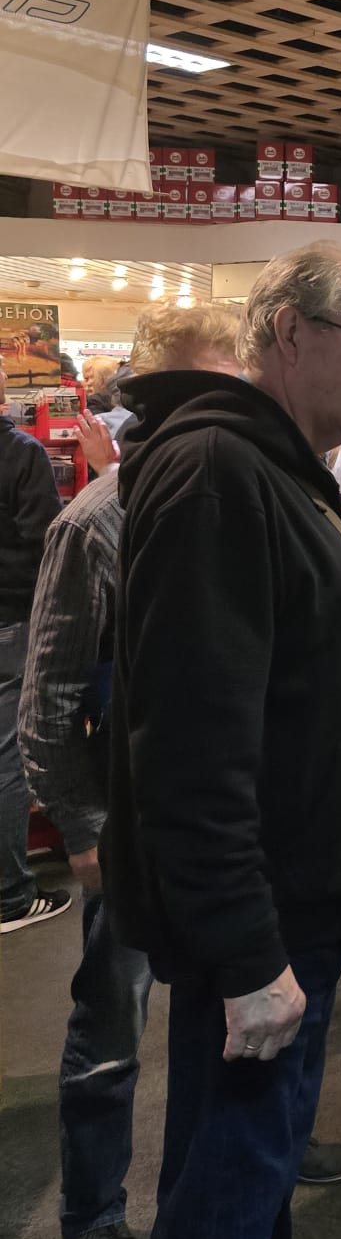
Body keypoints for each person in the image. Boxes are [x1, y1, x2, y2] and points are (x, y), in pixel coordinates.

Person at [103, 243, 341, 1239]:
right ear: (285, 331)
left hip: (295, 908)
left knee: (249, 1173)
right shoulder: (223, 472)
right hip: (262, 924)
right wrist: (247, 955)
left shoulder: (271, 470)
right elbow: (191, 743)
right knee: (223, 1192)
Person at [20, 308, 341, 1239]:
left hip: (244, 826)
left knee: (243, 1017)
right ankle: (92, 1215)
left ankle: (267, 1150)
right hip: (138, 826)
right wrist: (87, 835)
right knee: (114, 1020)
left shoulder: (275, 485)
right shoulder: (98, 521)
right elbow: (47, 700)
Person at [0, 357, 65, 933]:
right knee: (6, 754)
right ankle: (10, 895)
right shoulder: (22, 453)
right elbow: (42, 537)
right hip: (10, 618)